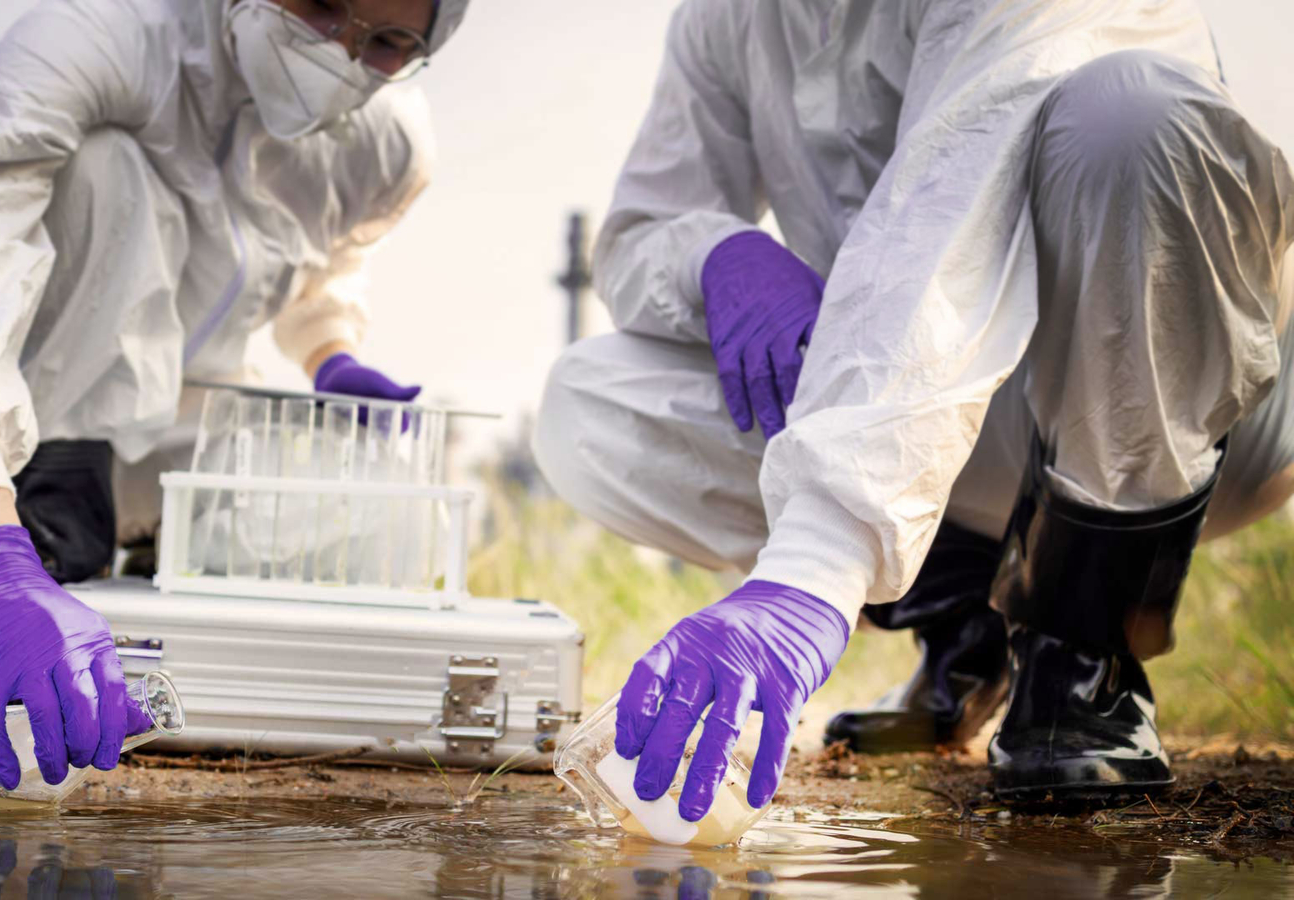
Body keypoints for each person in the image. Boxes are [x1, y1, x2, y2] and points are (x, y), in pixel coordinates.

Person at [534, 0, 1293, 819]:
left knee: (1133, 117)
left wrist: (815, 567)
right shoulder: (728, 17)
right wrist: (715, 254)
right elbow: (641, 228)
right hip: (938, 416)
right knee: (592, 399)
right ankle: (967, 628)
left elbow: (947, 217)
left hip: (1178, 392)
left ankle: (1083, 655)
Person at [0, 0, 470, 790]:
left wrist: (329, 351)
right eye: (322, 5)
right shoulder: (110, 32)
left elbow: (324, 251)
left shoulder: (388, 135)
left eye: (386, 42)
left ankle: (148, 597)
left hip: (192, 434)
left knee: (365, 518)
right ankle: (48, 561)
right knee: (105, 169)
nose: (339, 54)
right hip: (44, 425)